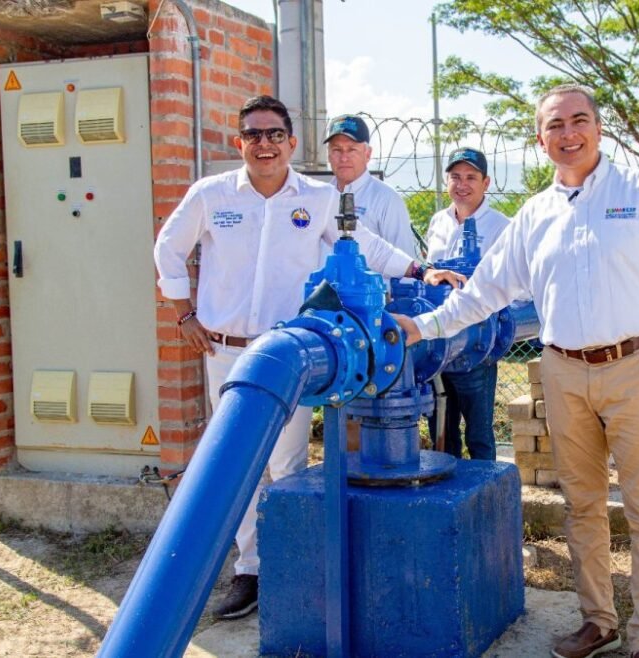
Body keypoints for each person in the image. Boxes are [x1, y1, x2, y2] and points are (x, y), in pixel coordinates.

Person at [394, 84, 639, 658]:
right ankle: (598, 620)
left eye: (579, 121)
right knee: (582, 504)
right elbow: (484, 293)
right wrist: (425, 327)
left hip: (636, 364)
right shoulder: (535, 216)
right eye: (555, 126)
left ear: (598, 128)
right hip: (563, 370)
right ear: (540, 139)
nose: (568, 134)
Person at [153, 95, 463, 621]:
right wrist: (183, 313)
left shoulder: (317, 199)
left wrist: (419, 272)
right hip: (227, 354)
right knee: (238, 465)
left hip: (292, 354)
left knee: (286, 463)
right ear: (240, 143)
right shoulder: (212, 195)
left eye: (275, 134)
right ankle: (249, 570)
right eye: (253, 135)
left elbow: (364, 245)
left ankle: (295, 565)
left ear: (291, 143)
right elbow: (167, 247)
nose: (264, 144)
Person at [424, 147, 510, 460]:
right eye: (455, 177)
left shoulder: (501, 227)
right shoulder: (438, 221)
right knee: (441, 432)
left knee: (479, 436)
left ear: (486, 183)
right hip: (438, 343)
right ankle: (448, 500)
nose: (462, 184)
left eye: (471, 177)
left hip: (476, 346)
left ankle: (484, 502)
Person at [324, 113, 422, 263]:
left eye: (351, 150)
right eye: (337, 150)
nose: (344, 158)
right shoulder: (322, 196)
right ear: (328, 155)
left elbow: (405, 263)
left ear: (368, 154)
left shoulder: (386, 199)